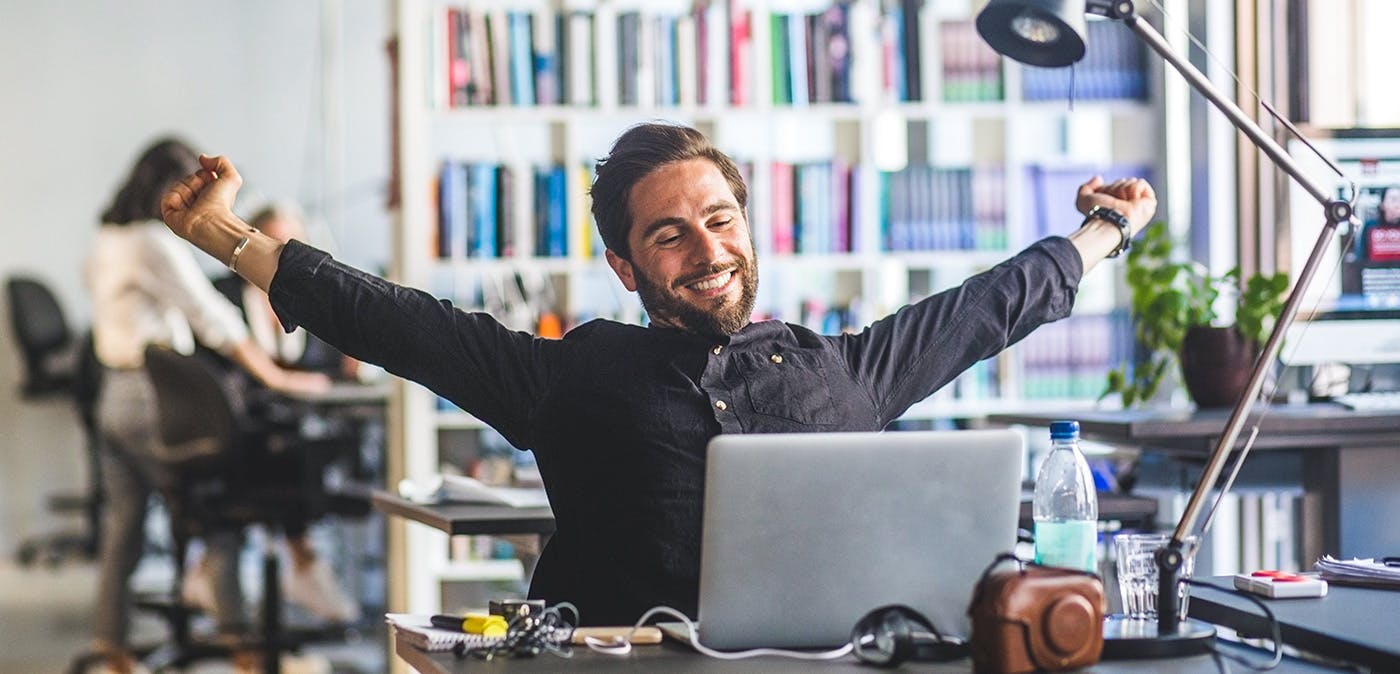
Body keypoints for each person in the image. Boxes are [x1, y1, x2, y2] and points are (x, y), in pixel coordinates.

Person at [160, 122, 1156, 627]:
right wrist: (220, 234)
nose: (707, 248)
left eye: (720, 219)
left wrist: (1104, 227)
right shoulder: (569, 374)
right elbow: (396, 323)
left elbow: (988, 307)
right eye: (670, 234)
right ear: (628, 267)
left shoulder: (833, 368)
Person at [86, 138, 330, 674]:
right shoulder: (153, 241)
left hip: (111, 394)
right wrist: (275, 378)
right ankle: (241, 645)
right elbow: (211, 320)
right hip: (153, 398)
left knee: (123, 528)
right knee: (219, 508)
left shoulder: (108, 239)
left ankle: (113, 649)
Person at [181, 202, 360, 625]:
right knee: (287, 455)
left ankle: (290, 564)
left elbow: (321, 361)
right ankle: (302, 563)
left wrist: (351, 355)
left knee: (306, 446)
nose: (282, 251)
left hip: (289, 425)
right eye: (273, 241)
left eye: (291, 243)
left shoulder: (308, 297)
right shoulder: (221, 296)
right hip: (236, 429)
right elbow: (213, 373)